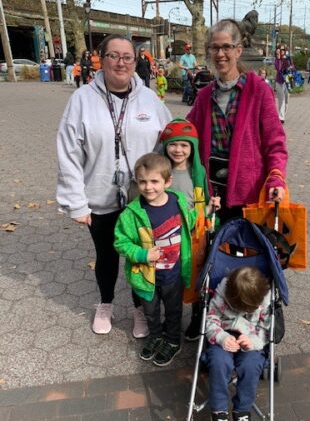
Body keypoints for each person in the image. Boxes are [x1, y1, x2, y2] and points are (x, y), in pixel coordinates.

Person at [56, 33, 172, 336]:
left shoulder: (150, 99)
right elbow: (68, 152)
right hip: (99, 197)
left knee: (139, 256)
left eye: (128, 57)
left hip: (141, 199)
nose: (121, 62)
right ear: (100, 59)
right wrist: (76, 202)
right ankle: (105, 304)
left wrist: (170, 189)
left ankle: (139, 310)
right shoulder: (81, 100)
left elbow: (169, 144)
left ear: (136, 61)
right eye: (114, 56)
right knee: (106, 255)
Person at [188, 18, 287, 225]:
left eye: (226, 47)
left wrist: (276, 178)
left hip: (247, 193)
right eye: (214, 47)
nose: (220, 54)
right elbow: (187, 133)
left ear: (238, 50)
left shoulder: (258, 90)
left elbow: (275, 142)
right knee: (212, 253)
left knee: (244, 255)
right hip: (211, 194)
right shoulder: (205, 96)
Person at [114, 153, 202, 367]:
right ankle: (155, 337)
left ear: (167, 181)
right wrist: (143, 255)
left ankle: (173, 341)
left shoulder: (178, 200)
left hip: (173, 273)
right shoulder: (131, 214)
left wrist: (207, 210)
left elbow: (189, 221)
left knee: (173, 311)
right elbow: (120, 242)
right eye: (142, 181)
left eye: (154, 181)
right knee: (151, 312)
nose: (148, 187)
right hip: (146, 276)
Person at [160, 119, 221, 341]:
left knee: (196, 278)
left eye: (184, 145)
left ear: (192, 147)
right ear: (164, 146)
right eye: (173, 144)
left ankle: (197, 318)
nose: (178, 150)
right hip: (168, 236)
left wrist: (210, 207)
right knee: (171, 281)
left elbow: (202, 203)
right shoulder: (160, 171)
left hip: (195, 235)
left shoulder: (198, 172)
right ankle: (171, 318)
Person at [205, 266, 271, 421]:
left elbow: (267, 329)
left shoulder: (264, 299)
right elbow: (210, 320)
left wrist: (253, 341)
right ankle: (219, 411)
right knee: (219, 362)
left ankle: (242, 410)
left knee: (251, 365)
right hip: (223, 338)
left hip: (250, 340)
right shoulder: (222, 294)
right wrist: (221, 337)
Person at [274, 44, 293, 123]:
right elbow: (278, 69)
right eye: (280, 49)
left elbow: (293, 67)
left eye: (283, 50)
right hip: (279, 81)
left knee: (286, 100)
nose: (282, 51)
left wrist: (290, 68)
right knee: (281, 99)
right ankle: (281, 117)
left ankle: (283, 114)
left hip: (287, 81)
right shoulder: (277, 60)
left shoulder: (288, 59)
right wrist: (278, 58)